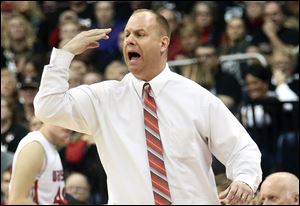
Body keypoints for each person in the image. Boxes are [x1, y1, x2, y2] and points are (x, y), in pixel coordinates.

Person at [34, 9, 262, 204]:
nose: (130, 40)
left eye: (140, 34)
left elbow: (242, 149)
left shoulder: (197, 98)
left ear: (163, 43)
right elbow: (47, 107)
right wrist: (65, 54)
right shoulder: (103, 98)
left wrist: (244, 180)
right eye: (127, 35)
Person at [8, 123, 71, 204]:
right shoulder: (35, 146)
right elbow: (17, 201)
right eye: (63, 117)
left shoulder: (49, 146)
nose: (70, 125)